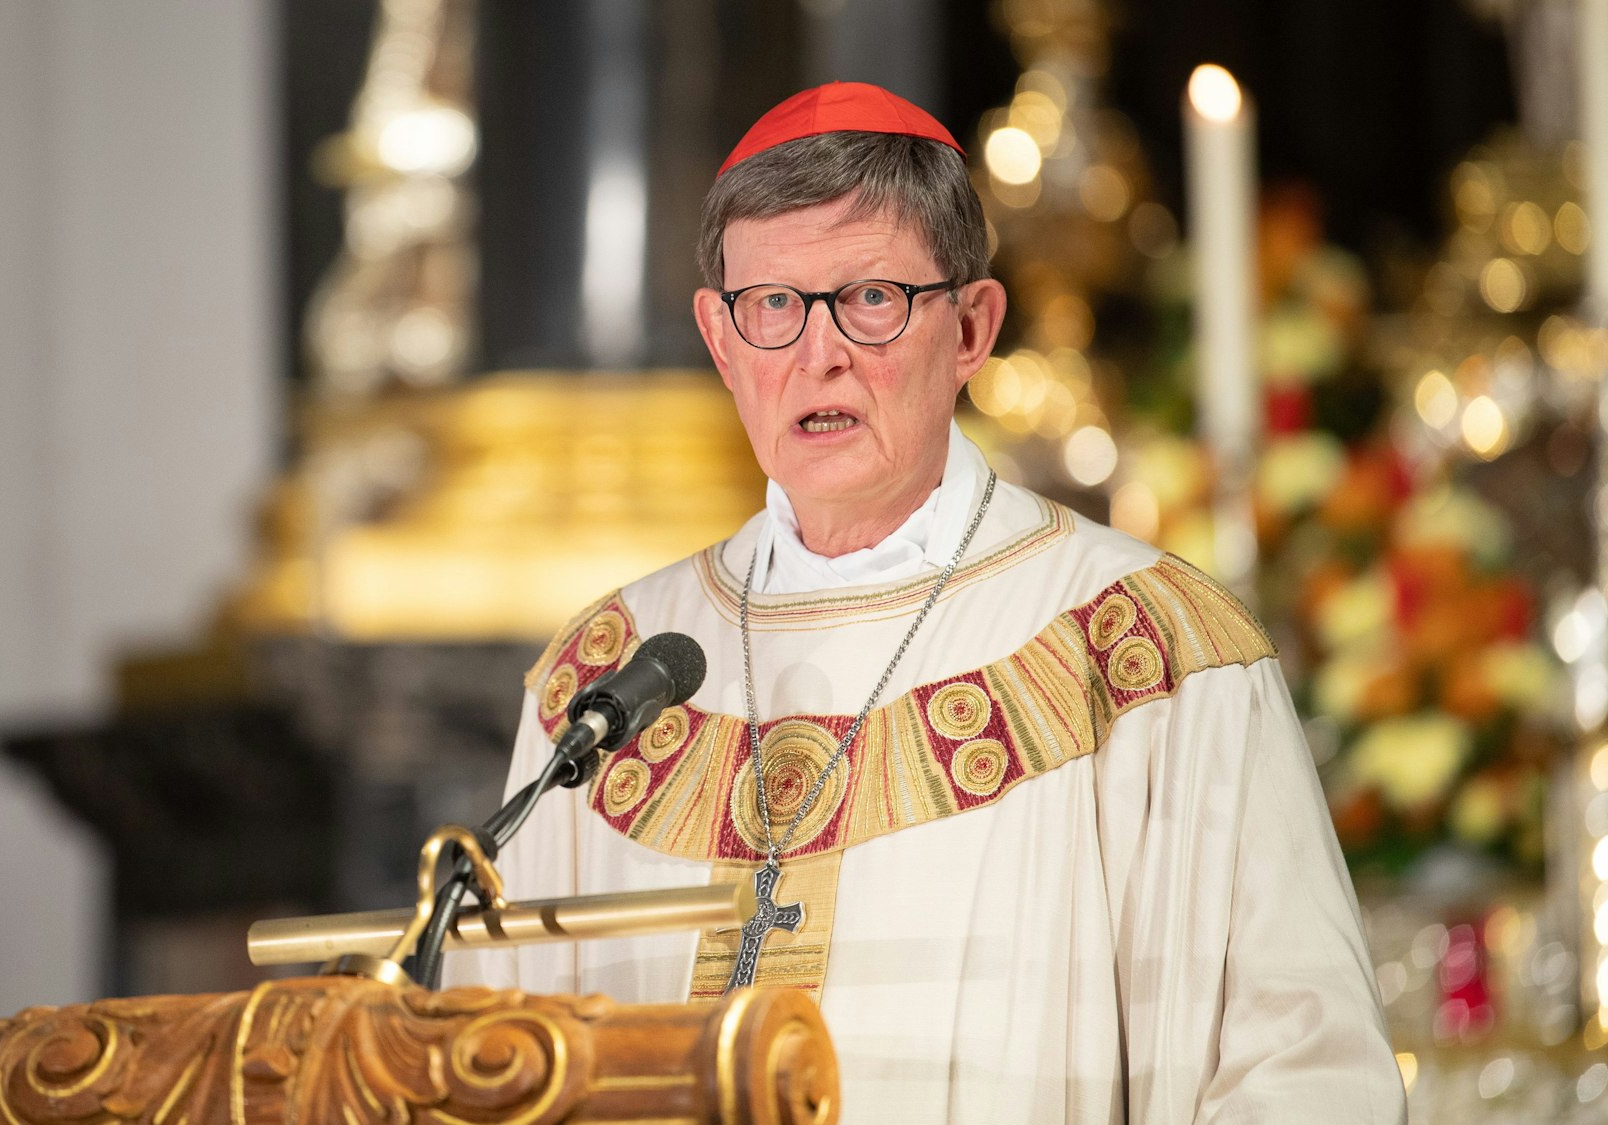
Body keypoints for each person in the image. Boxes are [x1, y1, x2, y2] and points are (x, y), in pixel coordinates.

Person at [445, 82, 1403, 1121]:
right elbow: (494, 1066)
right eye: (771, 306)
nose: (818, 354)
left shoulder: (1145, 649)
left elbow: (1304, 1077)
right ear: (720, 343)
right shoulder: (604, 680)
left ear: (969, 329)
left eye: (868, 298)